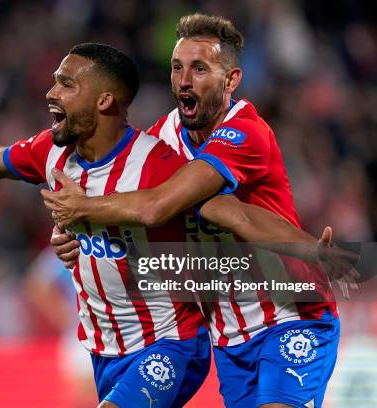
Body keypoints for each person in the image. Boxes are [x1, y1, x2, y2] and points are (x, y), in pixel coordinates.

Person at [0, 41, 345, 407]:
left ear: (105, 101)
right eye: (55, 80)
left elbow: (233, 212)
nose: (51, 92)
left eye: (67, 84)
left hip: (170, 342)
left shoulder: (156, 165)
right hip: (102, 348)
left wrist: (310, 250)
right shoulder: (52, 153)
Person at [41, 15, 343, 408]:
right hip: (229, 337)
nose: (184, 80)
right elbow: (121, 198)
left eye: (200, 69)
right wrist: (71, 233)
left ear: (231, 80)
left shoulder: (246, 132)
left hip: (293, 312)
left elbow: (163, 207)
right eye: (177, 67)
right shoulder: (158, 143)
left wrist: (83, 207)